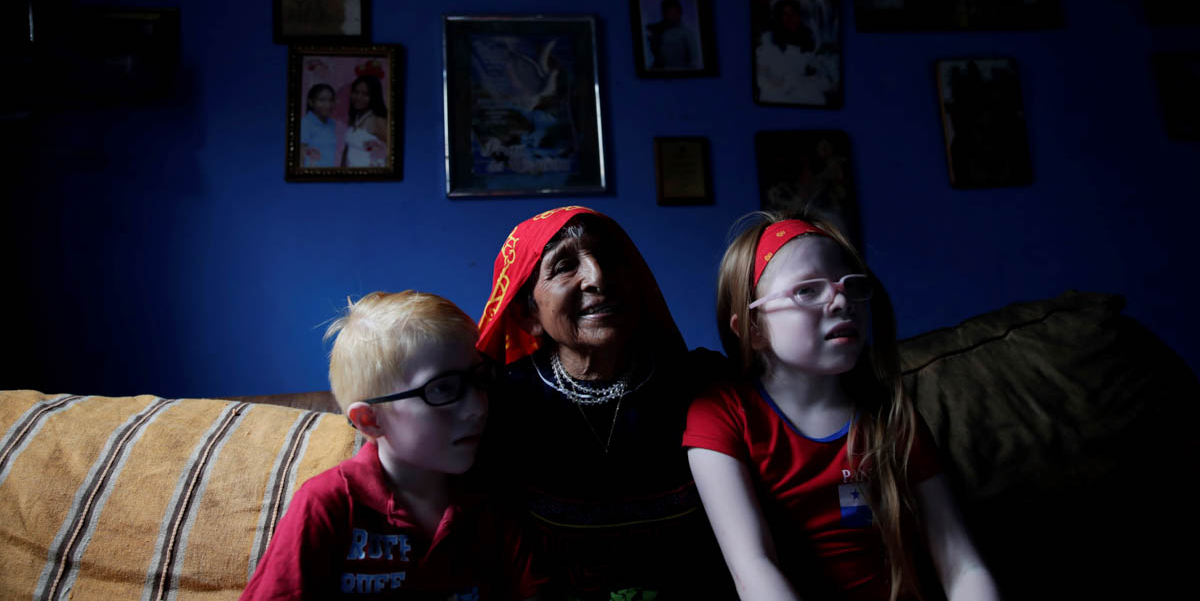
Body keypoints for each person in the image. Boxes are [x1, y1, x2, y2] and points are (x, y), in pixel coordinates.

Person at [684, 212, 1001, 601]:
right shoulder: (721, 417)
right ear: (753, 328)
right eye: (807, 291)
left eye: (851, 285)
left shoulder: (892, 418)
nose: (841, 300)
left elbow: (963, 565)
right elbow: (753, 568)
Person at [474, 206, 734, 600]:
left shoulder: (703, 383)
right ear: (529, 314)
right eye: (563, 266)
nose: (599, 277)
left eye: (611, 258)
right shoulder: (502, 403)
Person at [241, 291, 544, 600]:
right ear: (370, 420)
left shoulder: (493, 496)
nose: (478, 408)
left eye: (479, 379)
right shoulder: (327, 504)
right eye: (442, 388)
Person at [754, 0, 839, 106]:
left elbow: (828, 81)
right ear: (778, 17)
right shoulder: (767, 45)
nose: (790, 18)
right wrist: (786, 85)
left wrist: (806, 82)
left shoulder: (813, 43)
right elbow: (761, 80)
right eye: (785, 14)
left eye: (794, 13)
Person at [341, 68, 388, 168]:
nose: (358, 97)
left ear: (374, 97)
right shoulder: (356, 117)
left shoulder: (377, 120)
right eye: (356, 92)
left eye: (365, 94)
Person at [645, 0, 700, 69]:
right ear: (664, 14)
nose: (673, 15)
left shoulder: (687, 33)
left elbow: (694, 57)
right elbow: (656, 53)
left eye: (676, 12)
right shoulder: (657, 30)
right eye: (669, 12)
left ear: (680, 13)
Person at [299, 83, 338, 167]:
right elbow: (300, 158)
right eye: (322, 100)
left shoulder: (332, 123)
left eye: (331, 100)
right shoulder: (305, 124)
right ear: (311, 102)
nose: (328, 105)